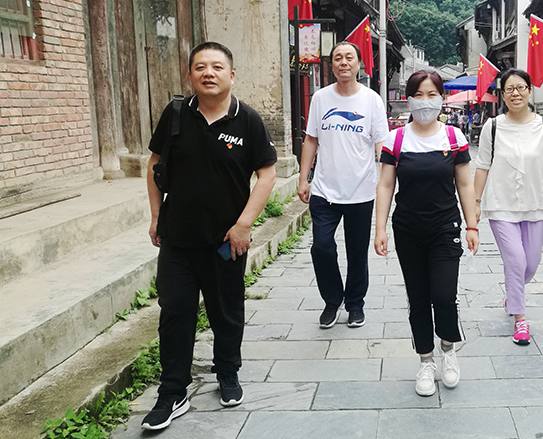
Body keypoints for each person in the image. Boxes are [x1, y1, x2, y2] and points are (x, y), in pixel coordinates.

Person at [144, 42, 278, 430]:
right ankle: (172, 391)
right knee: (175, 312)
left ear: (231, 75)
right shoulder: (175, 115)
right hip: (178, 238)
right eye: (200, 66)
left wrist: (244, 224)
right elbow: (155, 165)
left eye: (217, 67)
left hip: (225, 241)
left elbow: (267, 174)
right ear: (190, 75)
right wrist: (156, 216)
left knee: (226, 311)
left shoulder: (247, 120)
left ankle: (227, 372)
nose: (209, 73)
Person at [374, 70, 479, 397]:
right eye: (418, 94)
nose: (425, 101)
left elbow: (465, 184)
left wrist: (472, 225)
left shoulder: (453, 138)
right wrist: (380, 229)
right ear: (408, 99)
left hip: (445, 228)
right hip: (408, 230)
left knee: (444, 295)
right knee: (418, 298)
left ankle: (448, 349)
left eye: (432, 94)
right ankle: (425, 360)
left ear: (441, 98)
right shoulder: (396, 140)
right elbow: (385, 185)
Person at [298, 41, 389, 329]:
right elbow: (311, 139)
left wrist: (386, 180)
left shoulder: (371, 100)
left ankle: (355, 304)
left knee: (357, 252)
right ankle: (332, 300)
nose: (343, 62)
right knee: (321, 247)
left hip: (361, 190)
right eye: (338, 58)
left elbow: (381, 144)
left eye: (349, 57)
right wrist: (303, 178)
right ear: (332, 64)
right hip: (324, 189)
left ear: (358, 64)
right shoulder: (321, 98)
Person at [473, 68, 543, 346]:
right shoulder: (493, 127)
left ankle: (513, 293)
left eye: (521, 87)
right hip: (500, 204)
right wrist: (475, 202)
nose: (515, 93)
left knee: (531, 264)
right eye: (509, 89)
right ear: (502, 95)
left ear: (529, 91)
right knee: (516, 260)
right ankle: (520, 319)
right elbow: (482, 166)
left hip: (535, 204)